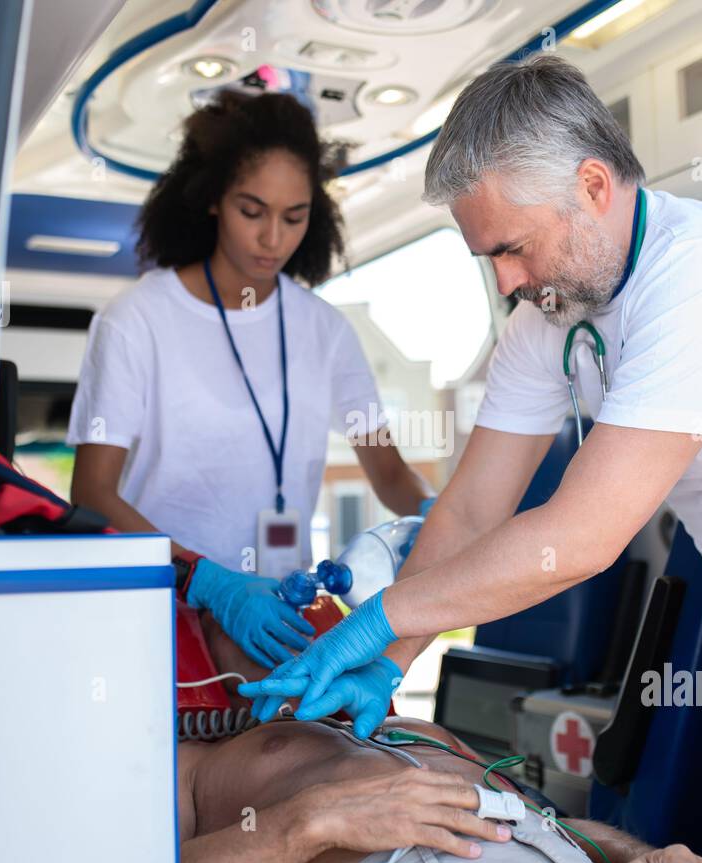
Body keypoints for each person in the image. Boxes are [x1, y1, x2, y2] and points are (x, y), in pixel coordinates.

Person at [239, 55, 702, 863]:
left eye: (515, 248)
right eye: (487, 258)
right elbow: (470, 508)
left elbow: (586, 536)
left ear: (594, 187)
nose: (506, 281)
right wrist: (392, 661)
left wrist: (388, 616)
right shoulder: (546, 314)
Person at [65, 91, 433, 668]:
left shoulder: (324, 330)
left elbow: (386, 470)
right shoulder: (137, 320)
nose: (272, 240)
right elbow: (91, 492)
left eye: (294, 216)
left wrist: (438, 517)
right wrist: (208, 582)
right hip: (161, 608)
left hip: (281, 619)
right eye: (251, 210)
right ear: (213, 199)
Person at [178, 616, 702, 863]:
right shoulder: (187, 768)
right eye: (270, 630)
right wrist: (306, 822)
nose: (296, 636)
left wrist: (644, 857)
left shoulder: (421, 735)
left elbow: (551, 828)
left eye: (299, 626)